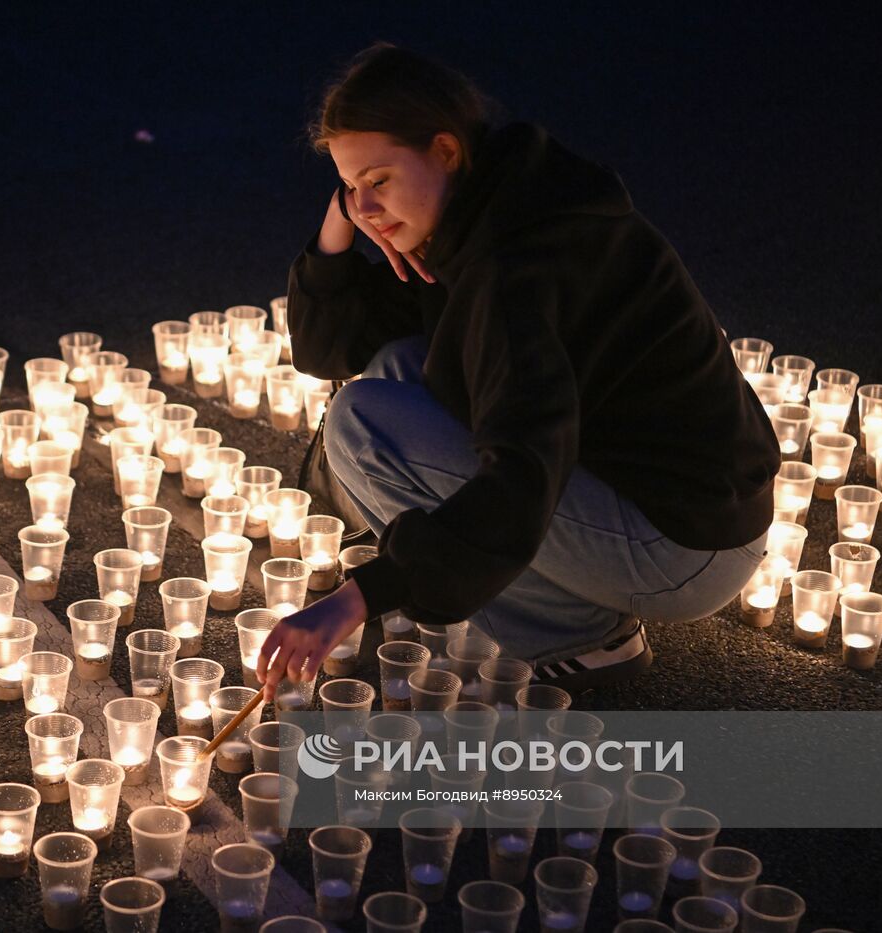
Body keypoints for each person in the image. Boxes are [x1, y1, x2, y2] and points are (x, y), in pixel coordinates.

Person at [257, 43, 778, 698]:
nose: (364, 207)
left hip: (687, 546)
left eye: (378, 180)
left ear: (446, 150)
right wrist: (343, 219)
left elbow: (526, 469)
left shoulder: (513, 266)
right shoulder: (485, 206)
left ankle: (582, 641)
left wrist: (356, 598)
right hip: (674, 504)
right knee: (395, 366)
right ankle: (569, 610)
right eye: (348, 186)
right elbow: (326, 348)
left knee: (361, 430)